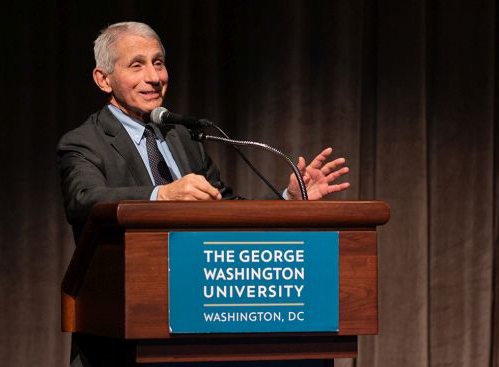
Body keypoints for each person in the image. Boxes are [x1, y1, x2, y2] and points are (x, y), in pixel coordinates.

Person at [57, 21, 349, 367]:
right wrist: (160, 195)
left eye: (159, 62)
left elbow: (225, 211)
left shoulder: (181, 139)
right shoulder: (83, 142)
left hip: (200, 323)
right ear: (103, 78)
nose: (153, 76)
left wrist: (288, 200)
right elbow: (84, 200)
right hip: (126, 331)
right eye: (137, 65)